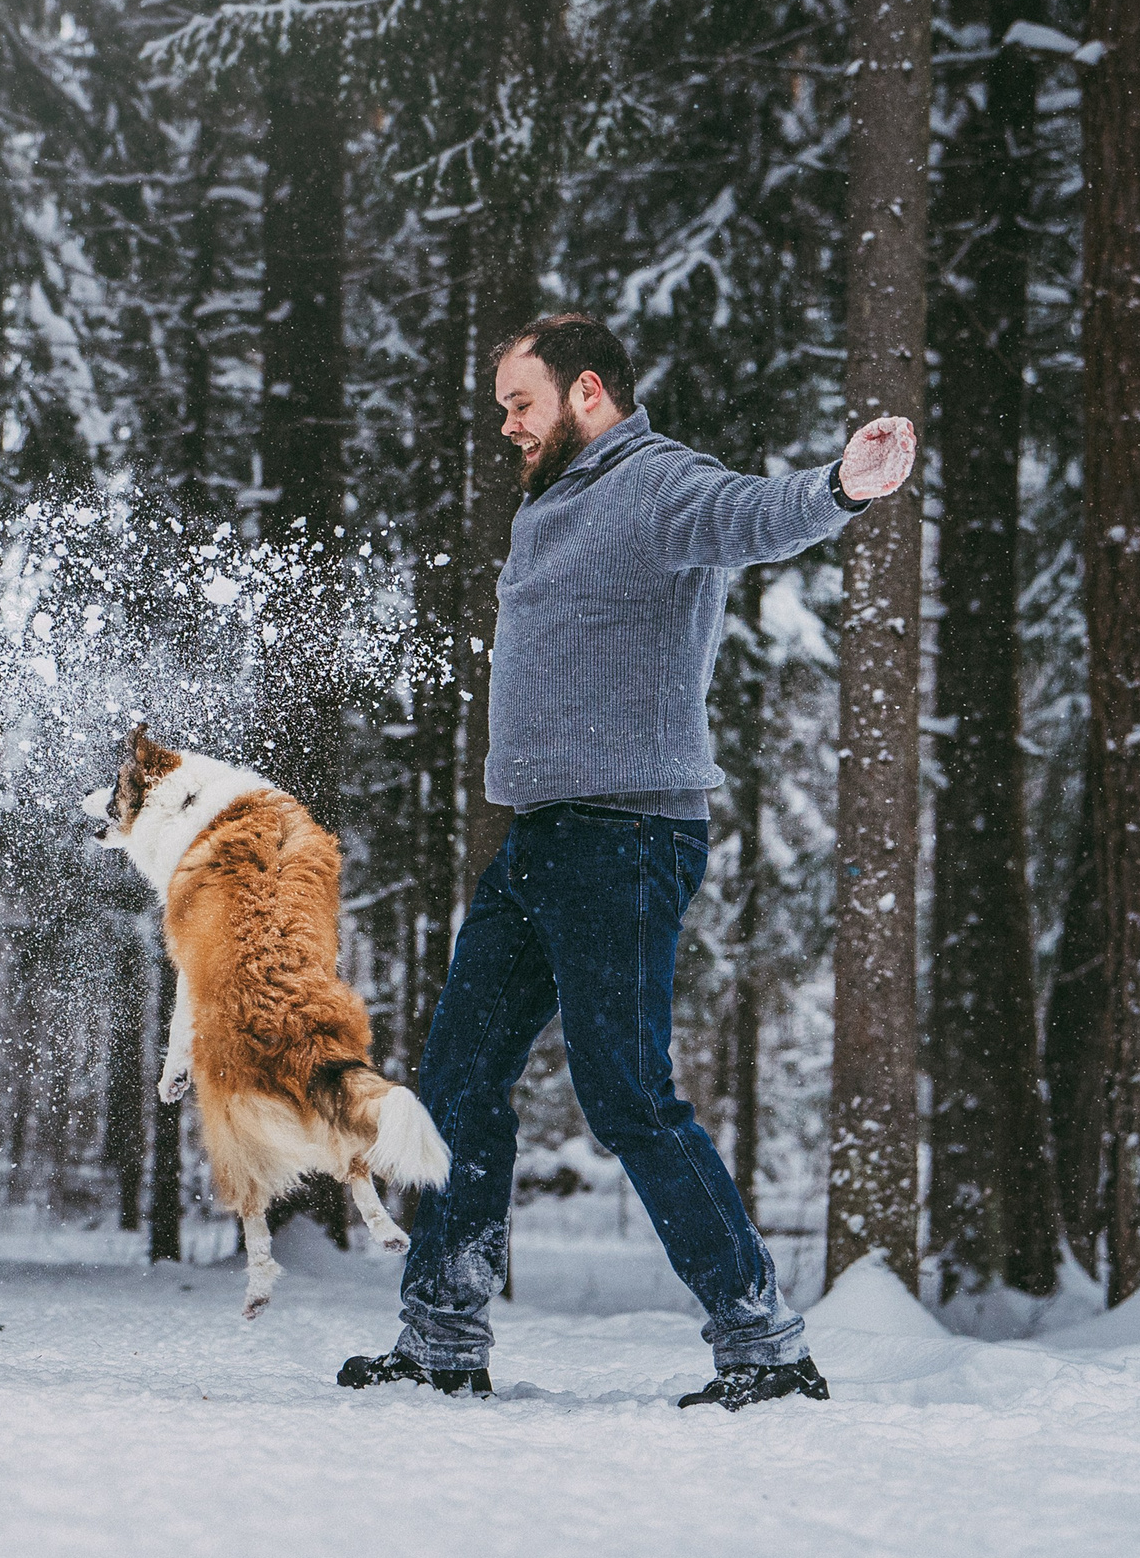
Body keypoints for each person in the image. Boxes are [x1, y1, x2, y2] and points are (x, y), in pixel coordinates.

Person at [339, 313, 916, 1410]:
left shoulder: (653, 484)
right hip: (541, 835)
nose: (506, 425)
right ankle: (441, 1337)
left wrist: (837, 487)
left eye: (521, 403)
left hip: (628, 837)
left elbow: (749, 515)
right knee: (457, 1082)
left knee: (627, 1094)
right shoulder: (553, 503)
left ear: (586, 392)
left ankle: (762, 1343)